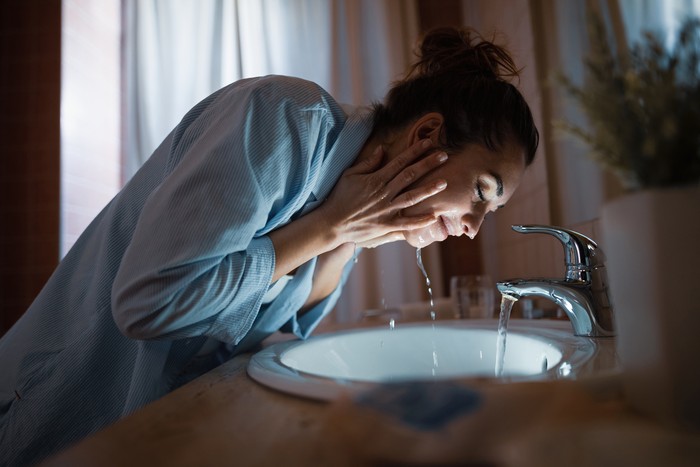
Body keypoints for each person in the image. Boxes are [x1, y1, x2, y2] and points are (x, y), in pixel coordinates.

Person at [0, 26, 538, 465]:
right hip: (54, 413)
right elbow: (149, 305)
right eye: (481, 194)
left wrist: (350, 231)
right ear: (426, 137)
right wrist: (331, 224)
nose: (472, 226)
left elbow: (283, 328)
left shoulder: (349, 199)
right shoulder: (283, 117)